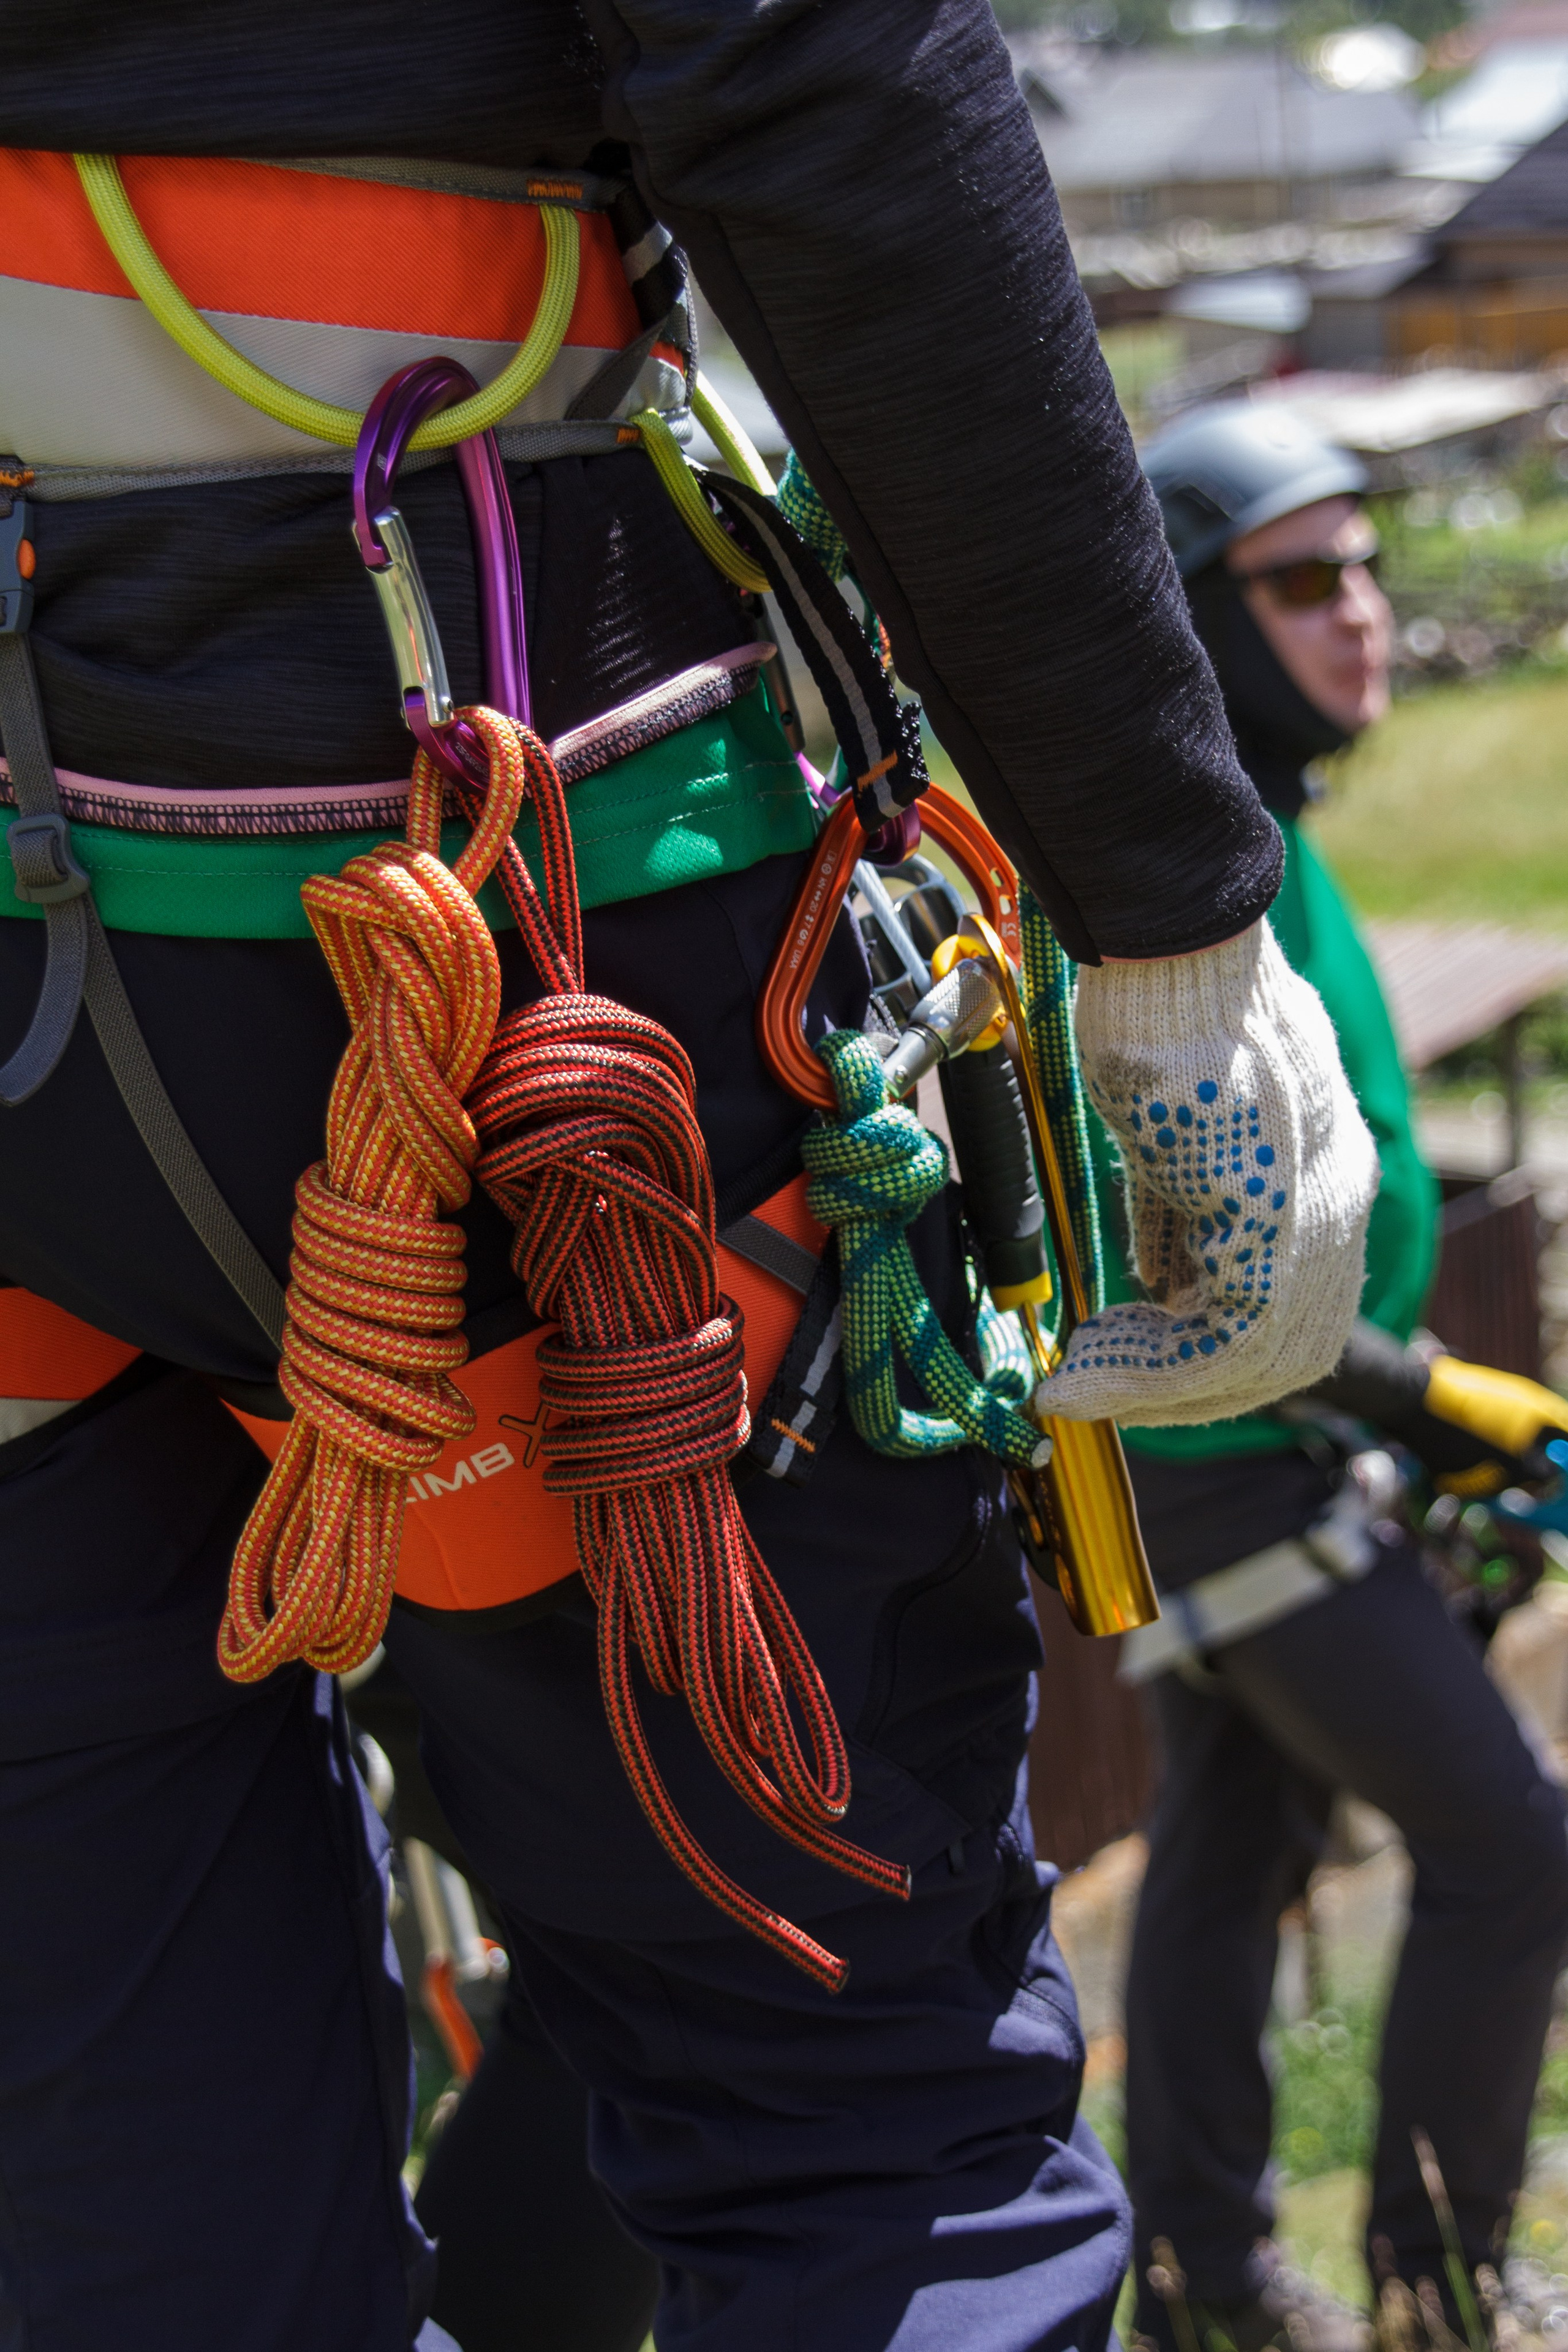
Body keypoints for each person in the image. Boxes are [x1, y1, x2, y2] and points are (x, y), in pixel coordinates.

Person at [0, 21, 1377, 2349]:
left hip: (255, 1021)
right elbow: (827, 92)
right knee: (859, 2123)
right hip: (530, 961)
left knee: (139, 2218)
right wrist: (1167, 917)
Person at [1117, 401, 1568, 2352]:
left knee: (1233, 1844)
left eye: (1370, 568)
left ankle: (1202, 2277)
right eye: (1303, 582)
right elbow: (1202, 1254)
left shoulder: (1257, 828)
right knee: (1511, 1839)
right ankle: (1441, 2288)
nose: (1366, 613)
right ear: (1199, 617)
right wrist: (1424, 1402)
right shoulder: (1183, 867)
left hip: (1282, 1431)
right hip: (1242, 1447)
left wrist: (1412, 1386)